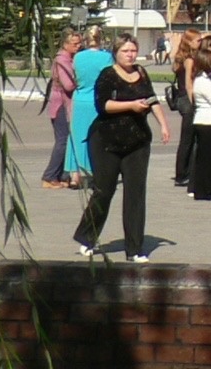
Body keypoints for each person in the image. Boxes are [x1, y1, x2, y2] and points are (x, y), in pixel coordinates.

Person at [74, 35, 171, 261]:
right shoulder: (107, 75)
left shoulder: (141, 72)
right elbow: (103, 105)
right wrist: (131, 106)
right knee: (104, 191)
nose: (130, 55)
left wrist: (163, 124)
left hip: (137, 141)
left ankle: (135, 249)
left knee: (135, 194)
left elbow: (151, 99)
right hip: (106, 140)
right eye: (125, 51)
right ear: (115, 53)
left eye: (133, 50)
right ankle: (87, 236)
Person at [68, 26, 112, 187]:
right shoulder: (107, 57)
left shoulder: (78, 57)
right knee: (95, 138)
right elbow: (109, 78)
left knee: (76, 137)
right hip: (97, 100)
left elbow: (74, 77)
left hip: (79, 99)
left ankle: (75, 176)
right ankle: (92, 172)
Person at [42, 28, 81, 189]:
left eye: (79, 43)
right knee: (63, 141)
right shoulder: (62, 61)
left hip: (66, 104)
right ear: (65, 44)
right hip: (60, 105)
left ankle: (61, 175)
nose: (78, 46)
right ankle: (49, 176)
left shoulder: (70, 59)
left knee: (68, 140)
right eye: (74, 43)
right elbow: (68, 85)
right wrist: (81, 81)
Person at [188, 45, 211, 200]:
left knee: (209, 157)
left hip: (210, 121)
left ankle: (208, 189)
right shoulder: (203, 82)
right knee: (207, 159)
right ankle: (204, 191)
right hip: (207, 122)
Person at [169, 30, 200, 186]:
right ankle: (182, 174)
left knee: (188, 138)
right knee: (188, 139)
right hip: (187, 100)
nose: (200, 43)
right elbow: (188, 84)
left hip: (181, 99)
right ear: (189, 42)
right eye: (197, 40)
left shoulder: (179, 58)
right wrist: (194, 101)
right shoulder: (189, 60)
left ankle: (185, 172)